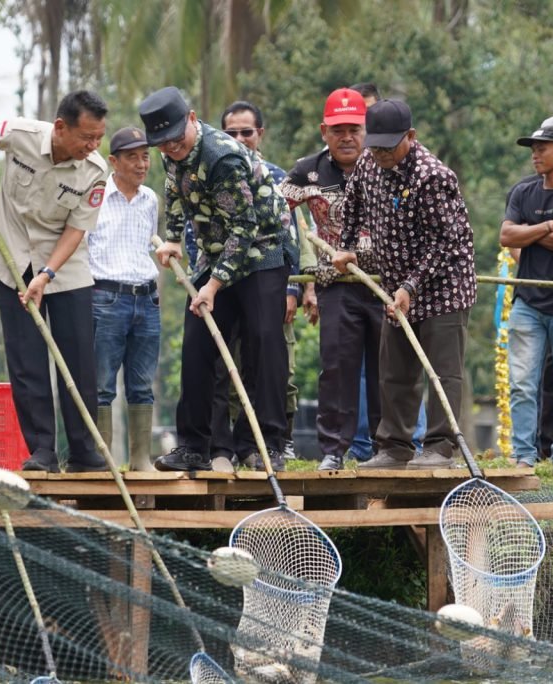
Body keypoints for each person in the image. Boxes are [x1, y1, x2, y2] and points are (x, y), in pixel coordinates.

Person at [140, 86, 291, 472]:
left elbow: (245, 227)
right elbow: (175, 195)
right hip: (215, 248)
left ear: (192, 119)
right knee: (198, 344)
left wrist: (213, 284)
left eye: (176, 139)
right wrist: (173, 239)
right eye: (162, 144)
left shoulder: (221, 155)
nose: (171, 149)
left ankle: (263, 442)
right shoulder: (170, 155)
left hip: (262, 248)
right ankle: (196, 444)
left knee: (262, 341)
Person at [0, 90, 110, 473]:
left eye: (99, 138)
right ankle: (42, 450)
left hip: (64, 265)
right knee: (26, 357)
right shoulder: (21, 133)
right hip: (13, 253)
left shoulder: (95, 170)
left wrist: (47, 274)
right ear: (60, 128)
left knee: (78, 356)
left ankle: (83, 450)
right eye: (86, 137)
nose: (92, 145)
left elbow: (77, 229)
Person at [334, 99, 476, 470]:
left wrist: (411, 286)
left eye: (388, 146)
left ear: (410, 137)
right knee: (395, 368)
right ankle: (394, 445)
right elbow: (353, 205)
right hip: (398, 283)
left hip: (444, 283)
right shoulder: (368, 163)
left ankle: (441, 446)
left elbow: (445, 242)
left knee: (442, 370)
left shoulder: (432, 176)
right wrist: (346, 247)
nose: (380, 153)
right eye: (375, 145)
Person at [279, 88, 384, 471]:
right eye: (338, 129)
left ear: (366, 130)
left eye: (354, 129)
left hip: (383, 283)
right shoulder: (308, 170)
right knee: (337, 366)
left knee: (386, 367)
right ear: (324, 131)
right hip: (336, 286)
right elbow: (274, 212)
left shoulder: (384, 165)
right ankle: (333, 451)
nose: (347, 138)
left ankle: (388, 448)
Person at [500, 123, 553, 476]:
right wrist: (549, 227)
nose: (535, 154)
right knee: (522, 383)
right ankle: (524, 456)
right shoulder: (523, 190)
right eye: (533, 148)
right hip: (528, 302)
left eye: (542, 147)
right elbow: (506, 236)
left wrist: (529, 234)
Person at [88, 126, 160, 472]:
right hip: (106, 298)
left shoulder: (150, 199)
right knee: (102, 384)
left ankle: (141, 459)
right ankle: (102, 459)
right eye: (132, 157)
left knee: (142, 383)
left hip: (147, 299)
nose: (141, 164)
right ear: (113, 161)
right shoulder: (95, 199)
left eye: (145, 156)